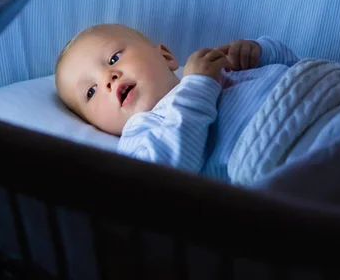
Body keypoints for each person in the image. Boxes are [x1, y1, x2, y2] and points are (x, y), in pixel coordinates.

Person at [55, 23, 300, 181]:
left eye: (114, 58)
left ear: (166, 56)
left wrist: (260, 52)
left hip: (317, 93)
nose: (108, 79)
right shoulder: (142, 133)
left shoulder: (212, 70)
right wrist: (197, 87)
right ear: (96, 125)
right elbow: (165, 176)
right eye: (91, 91)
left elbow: (292, 66)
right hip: (282, 153)